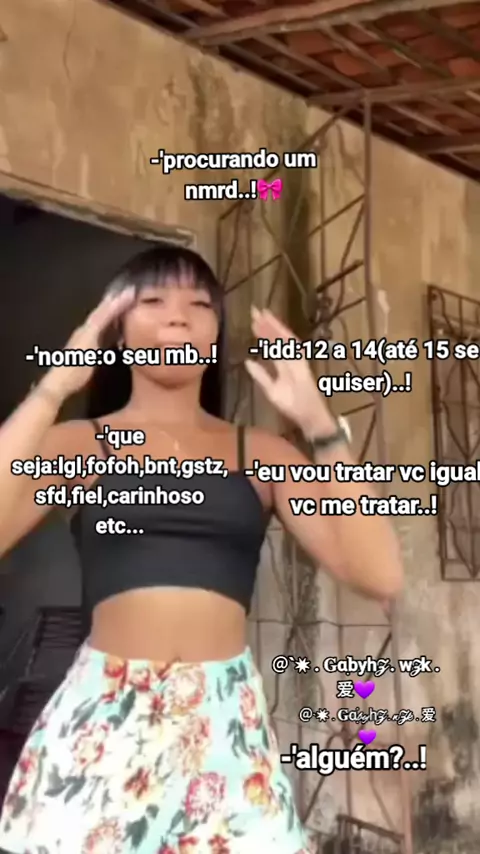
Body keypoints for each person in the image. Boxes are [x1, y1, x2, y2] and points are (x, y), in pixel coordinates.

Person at [0, 245, 403, 854]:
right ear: (116, 331)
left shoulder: (261, 452)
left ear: (214, 333)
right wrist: (55, 387)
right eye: (153, 300)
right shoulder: (81, 443)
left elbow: (380, 574)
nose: (178, 315)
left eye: (199, 304)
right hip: (104, 720)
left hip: (226, 727)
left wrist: (318, 422)